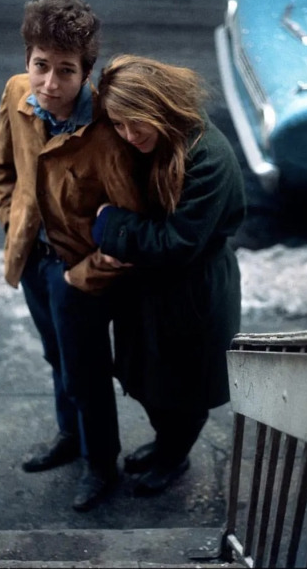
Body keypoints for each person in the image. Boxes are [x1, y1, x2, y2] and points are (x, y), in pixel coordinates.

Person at [0, 0, 146, 511]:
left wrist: (84, 275)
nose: (50, 84)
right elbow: (1, 167)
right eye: (40, 66)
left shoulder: (105, 133)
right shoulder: (16, 94)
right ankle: (69, 438)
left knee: (86, 369)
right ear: (27, 61)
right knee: (55, 355)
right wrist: (14, 222)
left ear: (87, 73)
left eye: (66, 71)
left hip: (78, 275)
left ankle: (101, 464)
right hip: (33, 259)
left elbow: (128, 229)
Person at [92, 54, 246, 496]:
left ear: (158, 105)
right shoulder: (155, 140)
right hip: (152, 293)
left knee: (182, 391)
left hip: (192, 295)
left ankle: (174, 457)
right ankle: (165, 445)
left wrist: (108, 225)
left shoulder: (208, 157)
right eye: (118, 125)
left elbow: (176, 243)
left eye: (134, 123)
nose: (128, 135)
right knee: (149, 382)